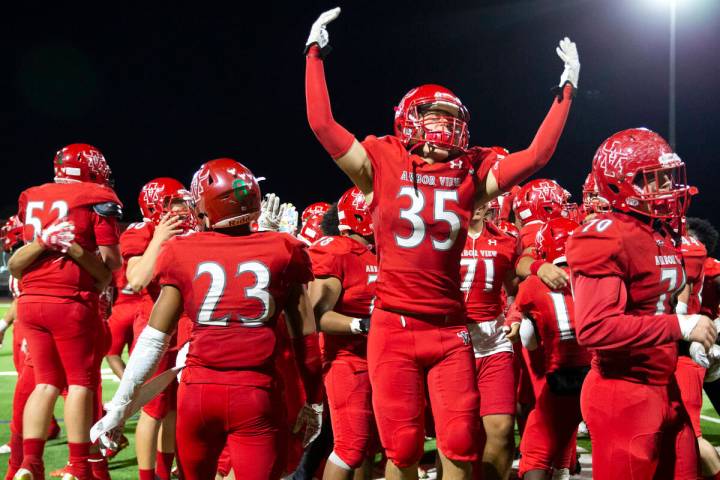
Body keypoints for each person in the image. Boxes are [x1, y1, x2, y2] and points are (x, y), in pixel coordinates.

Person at [305, 7, 579, 479]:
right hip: (394, 326)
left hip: (451, 327)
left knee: (460, 442)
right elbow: (323, 125)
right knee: (404, 449)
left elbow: (538, 155)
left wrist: (566, 89)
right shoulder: (382, 162)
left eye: (451, 119)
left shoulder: (472, 171)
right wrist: (314, 56)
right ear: (409, 119)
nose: (443, 127)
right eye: (434, 116)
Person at [95, 158, 322, 480]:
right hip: (256, 393)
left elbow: (154, 337)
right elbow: (306, 339)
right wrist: (314, 401)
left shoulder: (182, 250)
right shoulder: (283, 247)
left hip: (198, 393)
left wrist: (121, 403)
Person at [566, 128, 716, 479]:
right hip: (624, 390)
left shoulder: (662, 232)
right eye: (655, 179)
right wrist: (679, 326)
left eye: (668, 176)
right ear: (620, 184)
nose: (667, 187)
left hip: (665, 382)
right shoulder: (605, 235)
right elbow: (595, 328)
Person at [9, 144, 122, 480]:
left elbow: (20, 261)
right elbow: (112, 263)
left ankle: (30, 463)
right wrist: (77, 252)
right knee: (80, 384)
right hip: (71, 301)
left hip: (30, 302)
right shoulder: (98, 196)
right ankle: (78, 466)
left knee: (44, 383)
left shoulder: (32, 196)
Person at [120, 177, 197, 480]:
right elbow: (137, 279)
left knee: (176, 409)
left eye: (184, 201)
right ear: (156, 207)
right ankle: (146, 475)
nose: (183, 208)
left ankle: (166, 472)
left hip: (190, 327)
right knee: (153, 409)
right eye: (175, 203)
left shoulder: (192, 232)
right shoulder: (142, 232)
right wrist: (159, 238)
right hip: (156, 329)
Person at [307, 187, 377, 480]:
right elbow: (317, 314)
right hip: (346, 360)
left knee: (368, 447)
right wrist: (362, 325)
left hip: (378, 359)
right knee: (349, 448)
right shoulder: (336, 250)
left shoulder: (377, 252)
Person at [512, 218, 590, 479]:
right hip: (599, 374)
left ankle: (562, 469)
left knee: (536, 448)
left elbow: (527, 337)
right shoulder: (597, 277)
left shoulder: (532, 286)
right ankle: (564, 469)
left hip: (560, 376)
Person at [460, 201, 518, 480]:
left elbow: (515, 290)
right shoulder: (441, 237)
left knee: (502, 428)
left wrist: (514, 316)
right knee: (458, 433)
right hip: (453, 341)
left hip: (494, 340)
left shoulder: (505, 242)